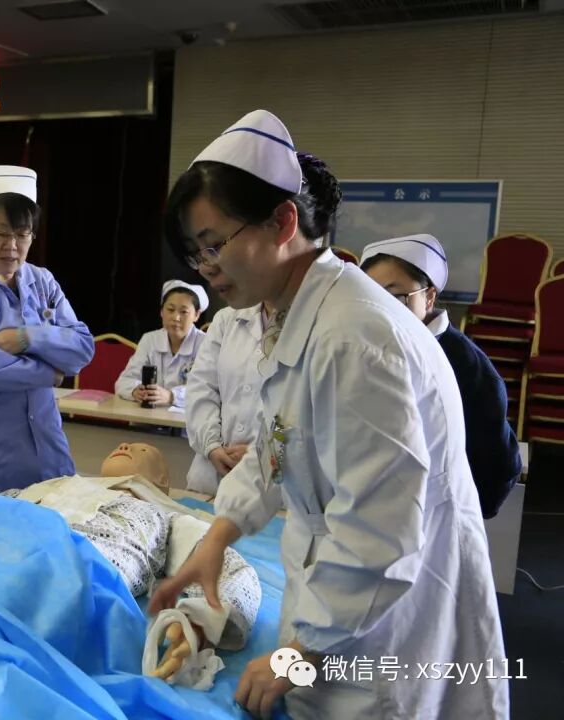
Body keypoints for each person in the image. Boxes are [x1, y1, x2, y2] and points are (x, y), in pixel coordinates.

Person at [151, 110, 507, 719]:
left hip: (383, 622)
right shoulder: (297, 316)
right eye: (195, 252)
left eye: (214, 244)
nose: (204, 267)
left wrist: (298, 654)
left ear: (282, 222)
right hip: (343, 601)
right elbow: (277, 442)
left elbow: (381, 528)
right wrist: (220, 532)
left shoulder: (354, 337)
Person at [9, 442, 262, 690]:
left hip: (57, 582)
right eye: (123, 444)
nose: (124, 445)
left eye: (142, 449)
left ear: (162, 481)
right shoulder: (50, 486)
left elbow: (230, 570)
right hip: (0, 546)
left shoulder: (161, 516)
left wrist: (201, 622)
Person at [0, 165, 95, 492]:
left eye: (22, 233)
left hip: (50, 450)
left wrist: (27, 337)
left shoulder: (42, 280)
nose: (13, 245)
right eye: (1, 233)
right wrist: (50, 373)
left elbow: (83, 348)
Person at [361, 234, 522, 518]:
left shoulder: (465, 364)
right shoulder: (370, 347)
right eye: (372, 297)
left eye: (395, 296)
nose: (383, 309)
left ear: (429, 297)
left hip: (439, 515)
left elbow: (496, 467)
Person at [184, 295, 280, 495]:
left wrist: (262, 454)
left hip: (273, 485)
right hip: (210, 475)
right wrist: (212, 446)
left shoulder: (314, 324)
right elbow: (201, 386)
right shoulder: (227, 318)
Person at [115, 280, 208, 409]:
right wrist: (135, 390)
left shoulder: (206, 343)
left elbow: (207, 388)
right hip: (150, 415)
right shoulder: (150, 339)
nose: (176, 317)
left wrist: (171, 396)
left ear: (196, 315)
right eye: (170, 310)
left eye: (183, 312)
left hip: (189, 418)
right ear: (161, 312)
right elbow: (124, 380)